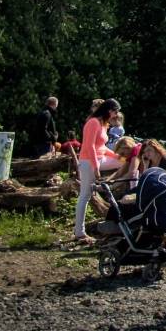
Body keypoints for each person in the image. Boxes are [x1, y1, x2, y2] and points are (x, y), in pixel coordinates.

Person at [72, 98, 121, 244]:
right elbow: (89, 146)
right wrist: (96, 167)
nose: (115, 115)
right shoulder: (93, 122)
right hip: (89, 161)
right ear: (108, 110)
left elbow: (102, 147)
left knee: (129, 162)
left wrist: (120, 157)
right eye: (115, 112)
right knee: (85, 195)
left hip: (99, 159)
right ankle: (79, 232)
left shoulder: (103, 124)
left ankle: (127, 187)